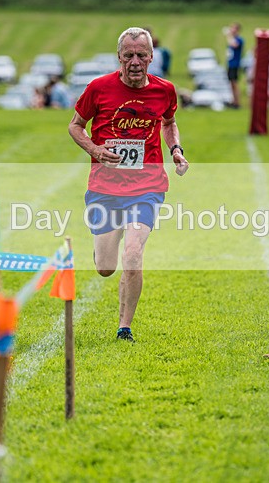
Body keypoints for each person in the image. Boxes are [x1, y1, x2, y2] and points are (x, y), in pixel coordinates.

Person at [67, 26, 189, 342]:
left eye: (141, 55)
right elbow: (76, 126)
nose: (135, 62)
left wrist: (175, 149)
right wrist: (94, 149)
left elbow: (170, 122)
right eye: (128, 55)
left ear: (151, 57)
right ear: (119, 57)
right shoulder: (98, 88)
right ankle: (108, 240)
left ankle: (125, 327)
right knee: (106, 267)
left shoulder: (165, 90)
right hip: (105, 187)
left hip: (147, 186)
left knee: (133, 253)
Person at [223, 23, 244, 108]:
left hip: (235, 64)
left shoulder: (239, 39)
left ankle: (237, 102)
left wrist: (228, 35)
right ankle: (234, 100)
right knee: (231, 83)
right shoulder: (234, 39)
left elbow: (234, 44)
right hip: (230, 64)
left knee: (235, 83)